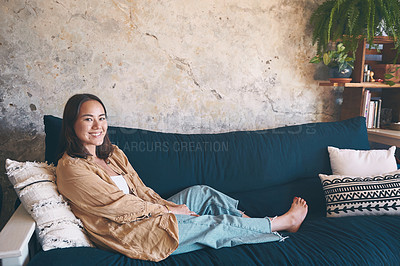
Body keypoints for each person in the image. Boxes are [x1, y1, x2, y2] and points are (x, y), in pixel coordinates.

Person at [56, 93, 308, 262]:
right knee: (212, 223)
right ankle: (279, 223)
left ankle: (251, 225)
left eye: (101, 118)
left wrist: (170, 206)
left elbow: (143, 192)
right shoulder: (71, 169)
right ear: (71, 124)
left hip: (146, 216)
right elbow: (119, 207)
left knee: (201, 192)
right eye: (88, 119)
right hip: (128, 233)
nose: (97, 126)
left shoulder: (112, 154)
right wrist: (170, 213)